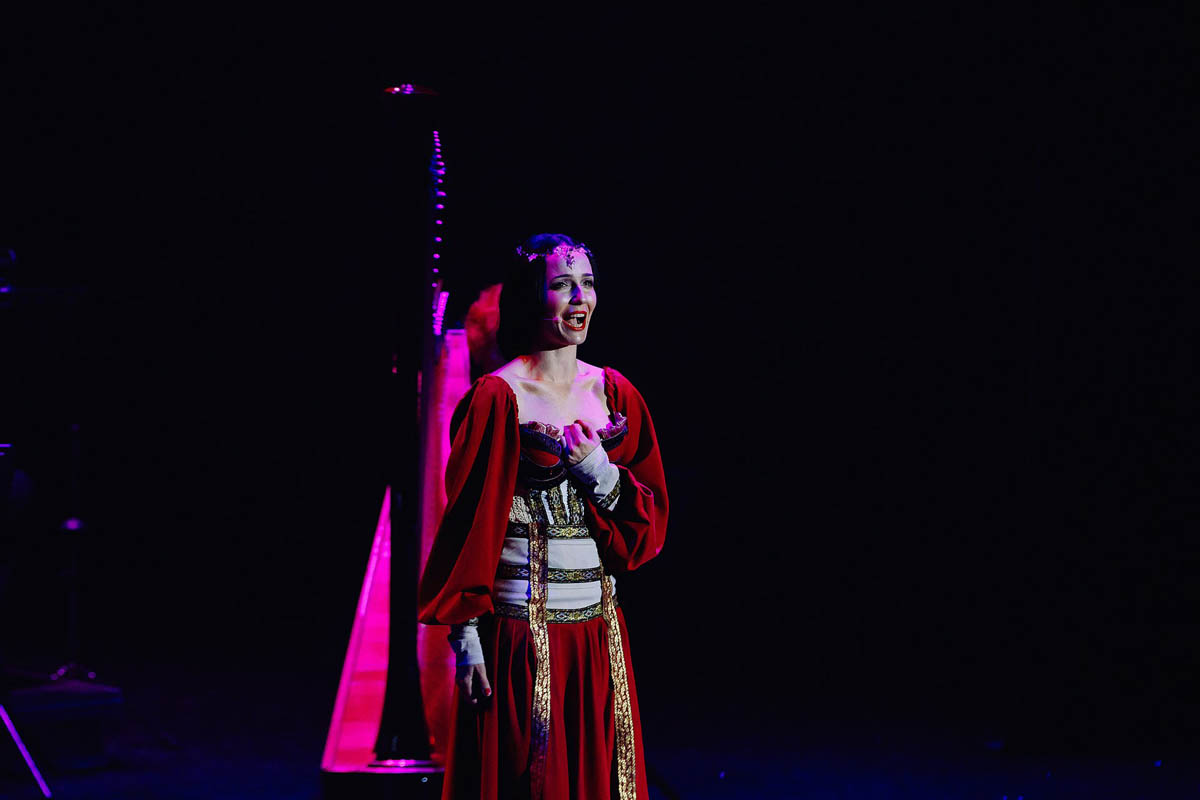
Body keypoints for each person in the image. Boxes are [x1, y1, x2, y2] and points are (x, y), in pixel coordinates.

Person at [418, 233, 669, 800]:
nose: (580, 298)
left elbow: (647, 523)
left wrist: (598, 470)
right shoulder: (497, 396)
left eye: (588, 283)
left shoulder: (614, 393)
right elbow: (467, 524)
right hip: (519, 638)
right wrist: (466, 637)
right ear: (534, 295)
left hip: (597, 634)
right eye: (562, 285)